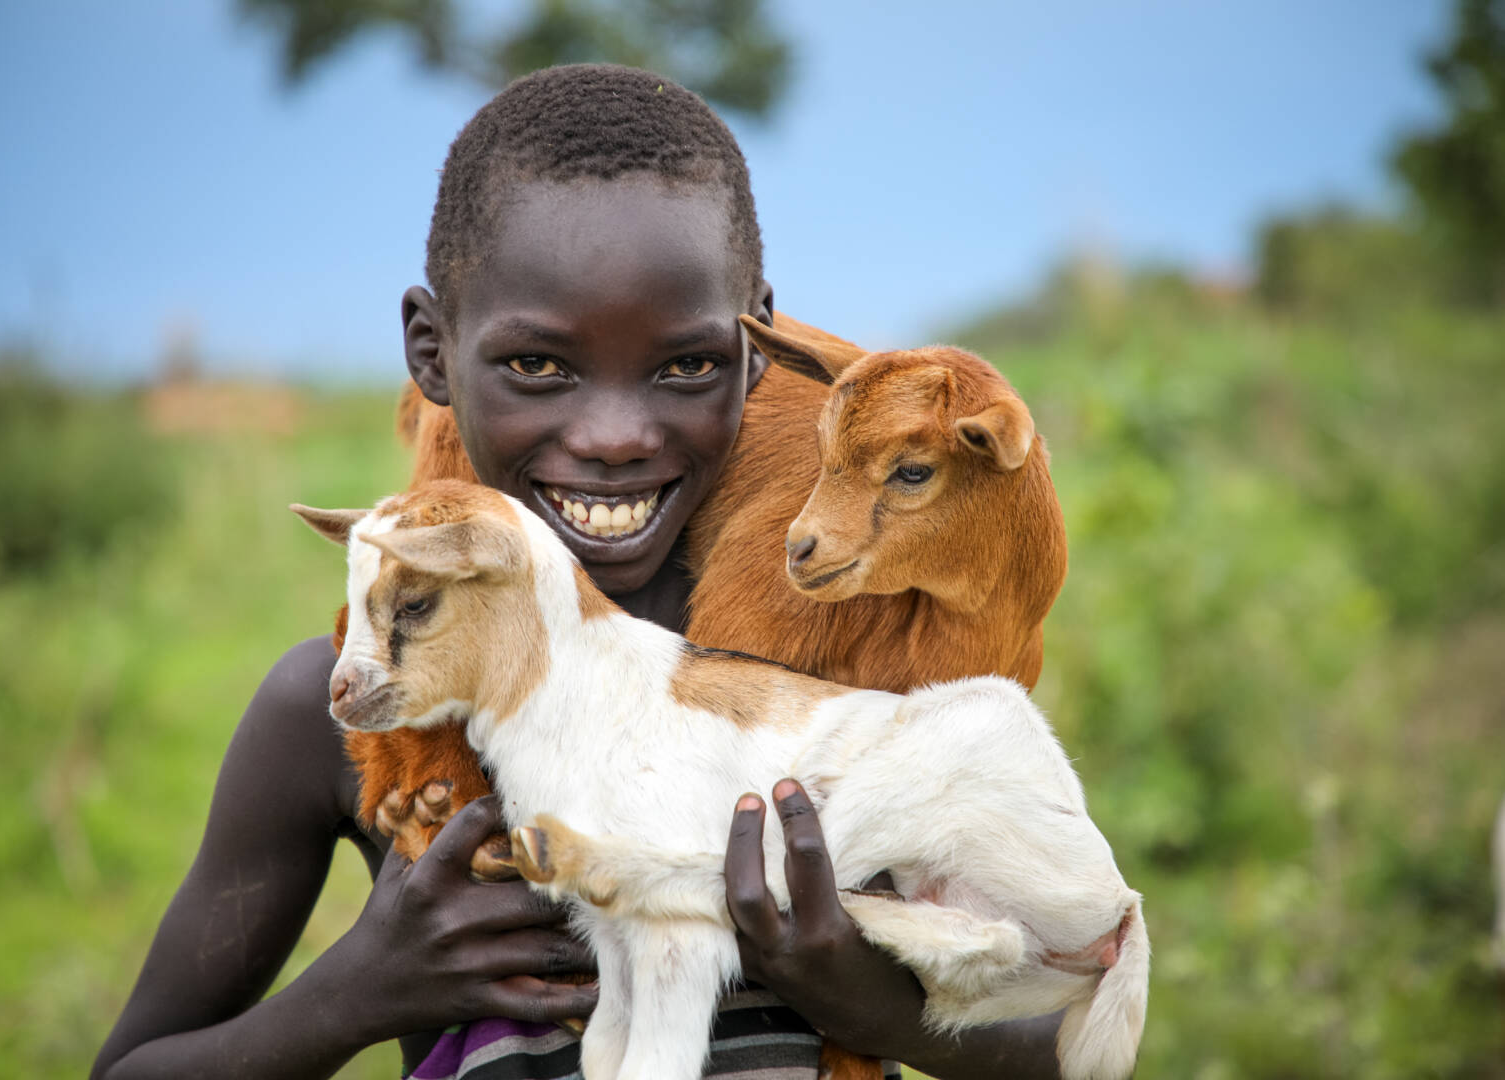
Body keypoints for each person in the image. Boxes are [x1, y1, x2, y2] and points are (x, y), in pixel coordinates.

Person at [92, 64, 1061, 1080]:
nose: (612, 437)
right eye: (539, 366)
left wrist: (872, 1004)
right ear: (432, 353)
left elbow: (1072, 1039)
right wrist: (363, 988)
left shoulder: (859, 684)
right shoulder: (345, 710)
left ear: (756, 348)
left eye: (684, 365)